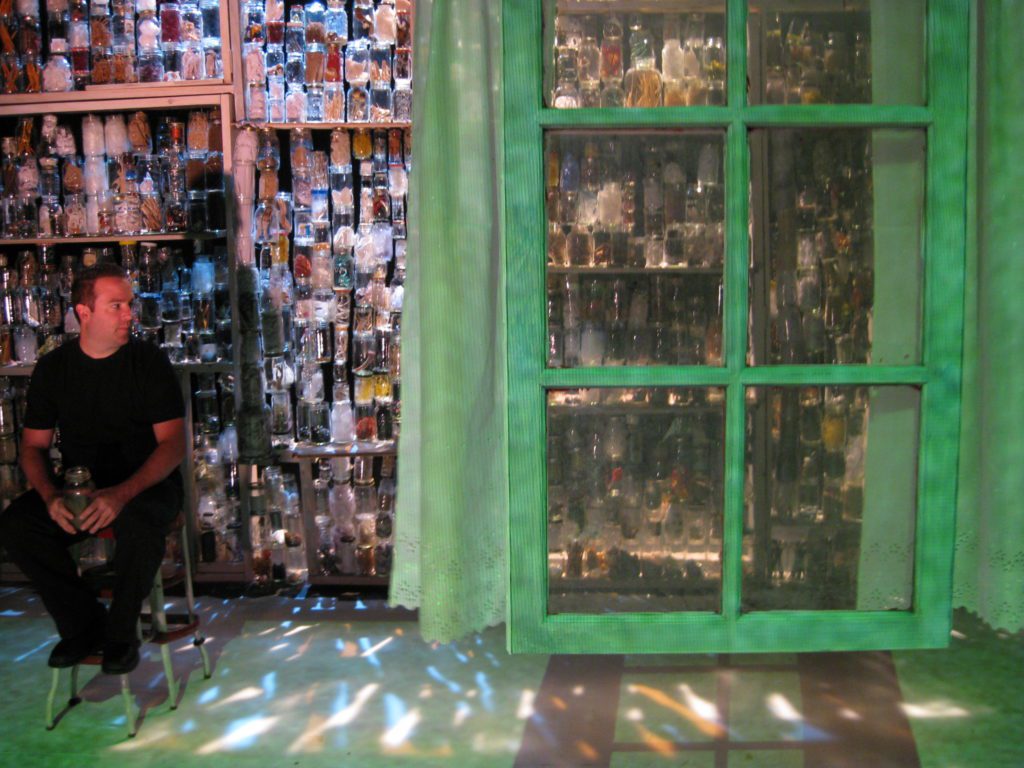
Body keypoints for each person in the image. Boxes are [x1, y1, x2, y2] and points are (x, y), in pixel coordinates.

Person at [0, 262, 186, 674]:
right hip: (81, 486)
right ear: (84, 313)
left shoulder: (148, 362)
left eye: (129, 304)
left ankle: (121, 634)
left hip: (146, 483)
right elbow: (33, 447)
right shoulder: (54, 369)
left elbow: (173, 445)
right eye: (116, 306)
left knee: (140, 524)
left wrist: (121, 494)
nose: (129, 315)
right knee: (17, 526)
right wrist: (50, 496)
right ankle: (82, 625)